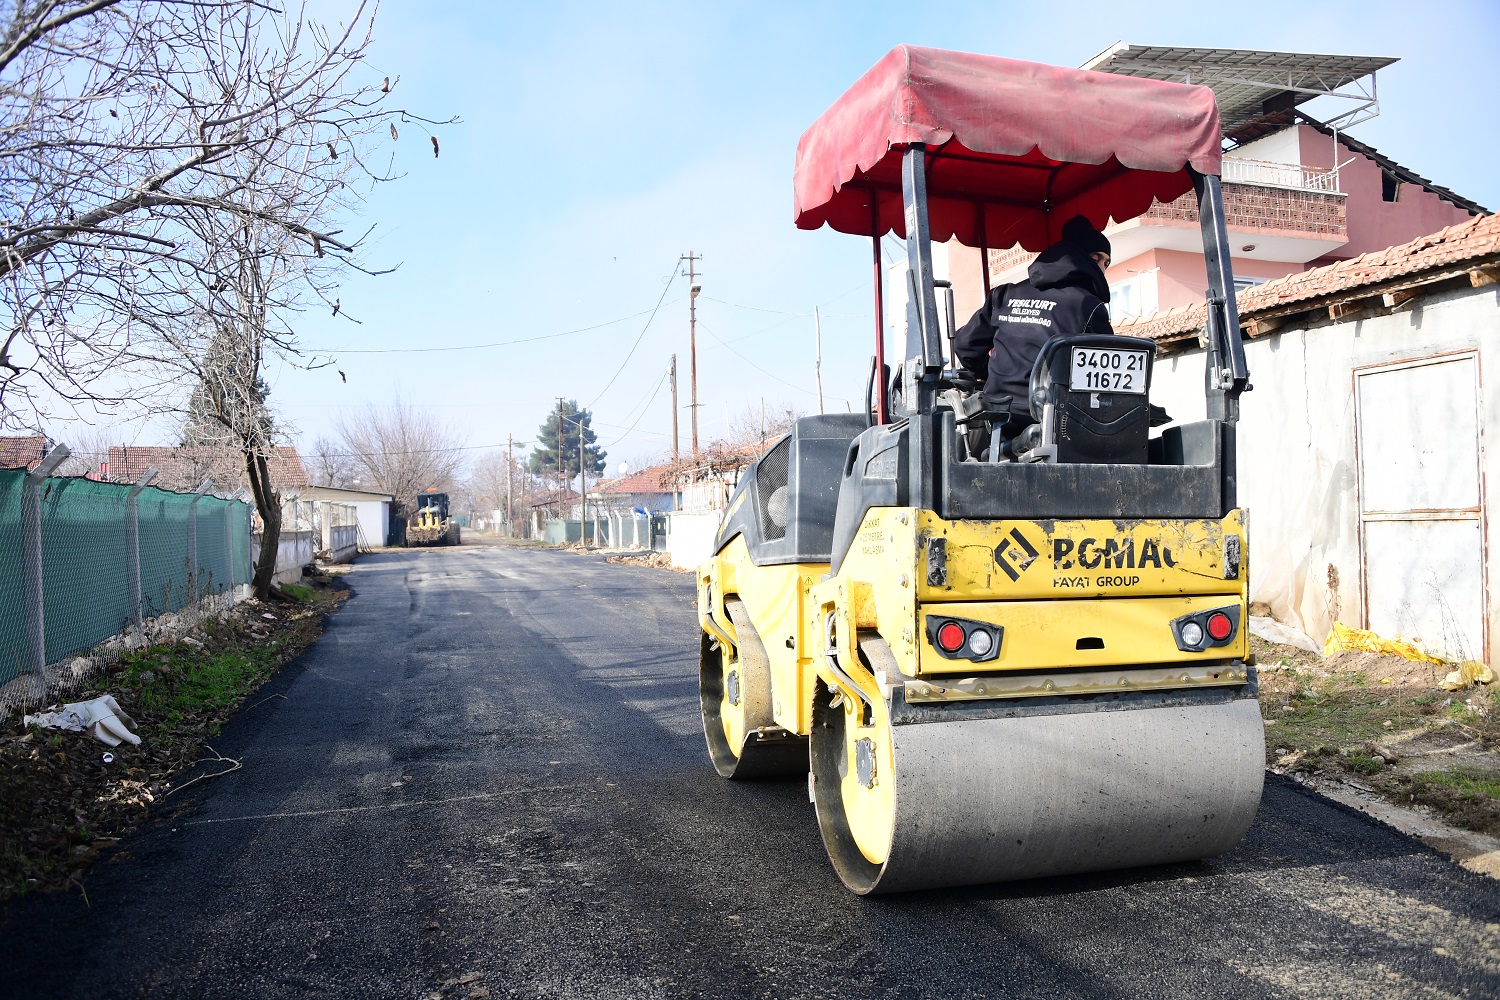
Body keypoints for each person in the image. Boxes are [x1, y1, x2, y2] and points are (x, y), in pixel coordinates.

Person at [953, 214, 1114, 439]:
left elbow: (965, 345)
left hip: (996, 418)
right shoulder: (1087, 306)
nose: (1103, 268)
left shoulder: (1004, 295)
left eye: (1107, 263)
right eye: (1098, 259)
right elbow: (1106, 374)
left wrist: (994, 375)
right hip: (1054, 424)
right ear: (1082, 259)